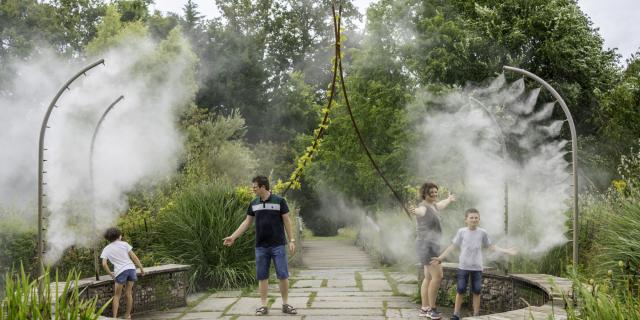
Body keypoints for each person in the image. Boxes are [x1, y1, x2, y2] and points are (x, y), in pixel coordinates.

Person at [223, 175, 297, 316]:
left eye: (255, 187)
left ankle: (285, 304)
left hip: (278, 245)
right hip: (261, 246)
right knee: (262, 276)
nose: (253, 189)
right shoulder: (254, 203)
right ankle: (263, 306)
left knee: (283, 275)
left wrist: (292, 240)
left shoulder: (279, 201)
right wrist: (233, 237)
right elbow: (246, 223)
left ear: (263, 187)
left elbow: (287, 221)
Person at [431, 208, 517, 320]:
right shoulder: (461, 232)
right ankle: (456, 314)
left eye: (476, 218)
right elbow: (452, 246)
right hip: (463, 266)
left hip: (477, 267)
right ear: (466, 219)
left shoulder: (483, 233)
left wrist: (507, 251)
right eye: (471, 217)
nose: (474, 219)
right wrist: (440, 258)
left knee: (477, 290)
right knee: (461, 289)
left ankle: (476, 315)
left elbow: (491, 247)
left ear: (479, 219)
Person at [409, 182, 455, 319]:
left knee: (428, 277)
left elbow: (441, 204)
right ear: (425, 193)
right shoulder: (423, 207)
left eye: (436, 192)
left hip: (429, 245)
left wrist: (449, 199)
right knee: (438, 276)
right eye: (432, 192)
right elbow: (419, 212)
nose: (434, 194)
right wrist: (414, 211)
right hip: (426, 246)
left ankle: (424, 308)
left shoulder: (433, 205)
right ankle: (432, 310)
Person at [100, 227, 145, 319]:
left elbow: (104, 264)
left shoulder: (106, 249)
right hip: (131, 269)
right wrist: (141, 269)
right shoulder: (124, 244)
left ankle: (114, 317)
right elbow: (134, 257)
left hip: (120, 271)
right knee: (128, 293)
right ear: (118, 236)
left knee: (117, 296)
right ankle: (127, 315)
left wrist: (111, 274)